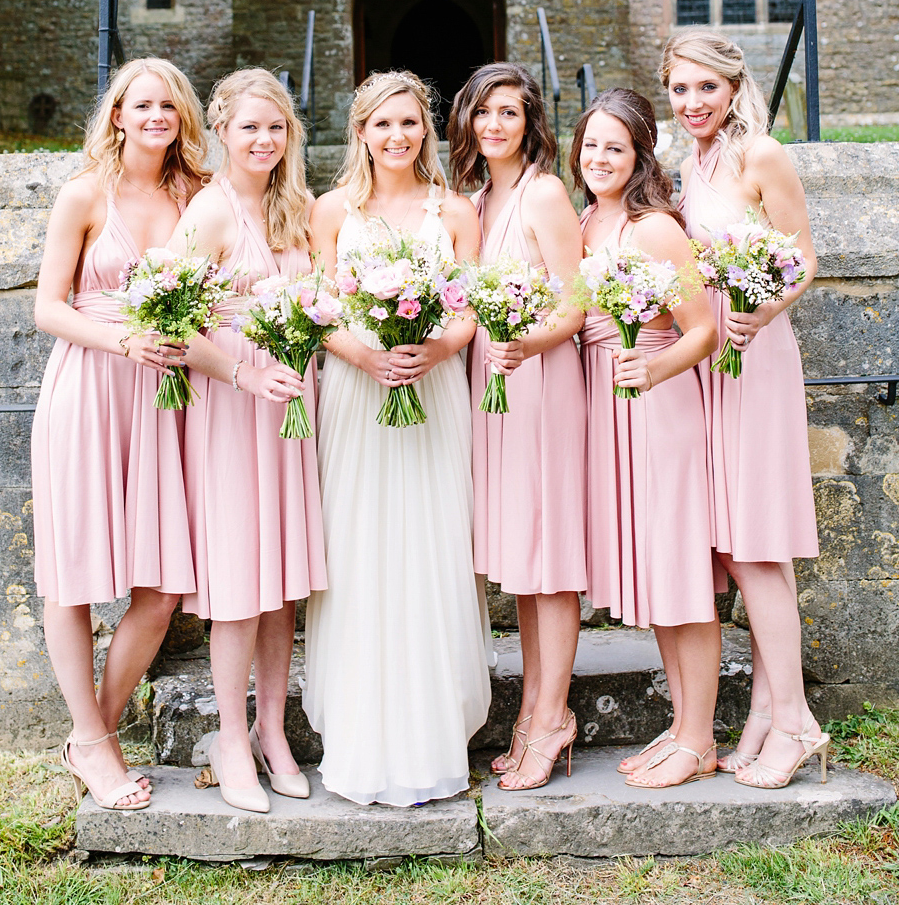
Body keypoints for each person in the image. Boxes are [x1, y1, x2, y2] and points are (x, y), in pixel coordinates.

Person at [303, 70, 490, 806]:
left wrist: (437, 350)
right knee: (360, 549)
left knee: (432, 545)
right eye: (382, 125)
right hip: (356, 394)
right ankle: (361, 732)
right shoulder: (329, 212)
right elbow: (321, 308)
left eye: (409, 124)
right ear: (360, 132)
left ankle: (432, 731)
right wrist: (367, 356)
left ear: (428, 131)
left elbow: (468, 310)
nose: (396, 137)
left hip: (435, 392)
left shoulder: (457, 212)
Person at [32, 58, 208, 812]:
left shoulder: (196, 198)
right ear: (117, 115)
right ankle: (96, 745)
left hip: (165, 401)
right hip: (90, 389)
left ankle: (91, 734)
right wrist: (120, 342)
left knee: (163, 585)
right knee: (71, 573)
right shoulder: (83, 197)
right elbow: (49, 307)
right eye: (143, 105)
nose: (157, 116)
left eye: (170, 106)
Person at [662, 27, 827, 790]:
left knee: (759, 543)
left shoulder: (761, 154)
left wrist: (762, 312)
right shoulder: (687, 165)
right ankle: (765, 710)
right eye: (679, 88)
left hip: (756, 359)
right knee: (743, 545)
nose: (692, 101)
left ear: (733, 89)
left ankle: (796, 723)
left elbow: (803, 257)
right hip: (711, 367)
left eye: (705, 88)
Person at [169, 69, 326, 814]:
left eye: (276, 128)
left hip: (292, 411)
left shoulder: (295, 211)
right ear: (222, 132)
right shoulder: (210, 212)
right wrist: (241, 374)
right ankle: (231, 736)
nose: (264, 140)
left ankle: (272, 729)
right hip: (233, 412)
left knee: (282, 583)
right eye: (249, 128)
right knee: (237, 585)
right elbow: (169, 320)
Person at [570, 88, 721, 789]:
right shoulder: (582, 223)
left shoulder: (654, 228)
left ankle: (699, 739)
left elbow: (703, 329)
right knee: (658, 572)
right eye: (591, 144)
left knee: (681, 573)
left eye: (614, 147)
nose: (599, 158)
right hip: (609, 410)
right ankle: (683, 725)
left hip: (659, 408)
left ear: (638, 158)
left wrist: (653, 366)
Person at [448, 63, 586, 792]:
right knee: (524, 563)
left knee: (550, 555)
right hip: (492, 389)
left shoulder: (544, 193)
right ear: (468, 122)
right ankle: (534, 710)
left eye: (510, 112)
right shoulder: (476, 203)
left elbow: (577, 304)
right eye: (483, 112)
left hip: (540, 385)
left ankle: (551, 716)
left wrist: (529, 343)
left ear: (530, 123)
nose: (495, 124)